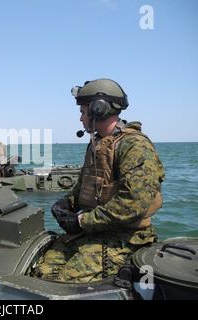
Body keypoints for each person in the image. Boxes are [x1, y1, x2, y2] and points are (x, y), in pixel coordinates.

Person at [32, 79, 165, 283]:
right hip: (92, 233)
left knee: (63, 284)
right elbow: (85, 186)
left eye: (83, 111)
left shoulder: (135, 146)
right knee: (40, 272)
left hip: (123, 239)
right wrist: (67, 203)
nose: (80, 118)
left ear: (98, 110)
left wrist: (81, 221)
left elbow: (133, 204)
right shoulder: (97, 144)